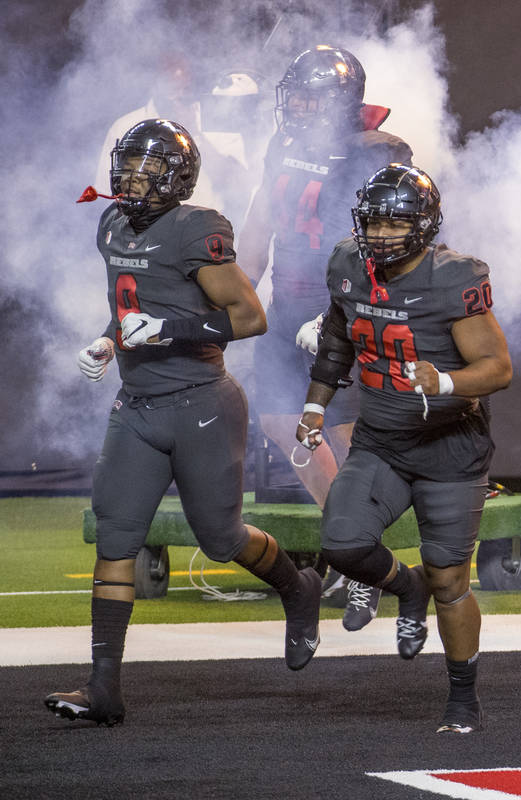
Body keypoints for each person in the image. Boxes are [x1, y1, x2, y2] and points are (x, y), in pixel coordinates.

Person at [46, 119, 322, 726]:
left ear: (178, 178)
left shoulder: (197, 229)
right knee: (115, 540)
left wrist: (166, 330)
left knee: (220, 540)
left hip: (202, 402)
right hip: (138, 407)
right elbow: (132, 307)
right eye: (129, 166)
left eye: (150, 169)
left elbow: (250, 318)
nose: (133, 179)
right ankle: (103, 690)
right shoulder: (112, 223)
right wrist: (108, 340)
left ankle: (297, 588)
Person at [295, 164, 510, 734]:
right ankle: (404, 587)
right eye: (375, 221)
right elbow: (339, 336)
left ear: (426, 223)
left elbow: (498, 368)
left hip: (450, 448)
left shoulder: (452, 278)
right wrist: (316, 403)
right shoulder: (347, 264)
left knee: (451, 580)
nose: (384, 234)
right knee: (342, 541)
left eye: (397, 222)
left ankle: (463, 698)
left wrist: (446, 383)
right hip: (381, 442)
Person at [239, 45, 414, 630]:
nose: (298, 109)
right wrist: (238, 285)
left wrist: (347, 308)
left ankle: (363, 561)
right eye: (297, 97)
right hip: (288, 306)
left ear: (340, 104)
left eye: (311, 99)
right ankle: (355, 550)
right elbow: (264, 215)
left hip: (341, 308)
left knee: (342, 433)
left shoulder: (376, 153)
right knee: (278, 423)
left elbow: (385, 243)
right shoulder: (285, 145)